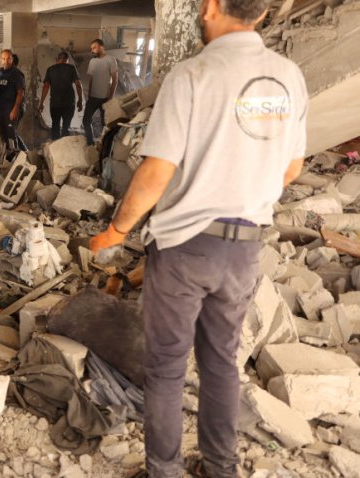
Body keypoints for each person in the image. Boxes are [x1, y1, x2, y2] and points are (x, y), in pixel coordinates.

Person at [89, 0, 307, 476]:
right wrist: (245, 182)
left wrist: (115, 230)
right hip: (245, 249)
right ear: (263, 15)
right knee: (221, 364)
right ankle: (219, 467)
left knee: (167, 368)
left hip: (186, 247)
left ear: (209, 7)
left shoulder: (192, 75)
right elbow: (291, 166)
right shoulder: (288, 77)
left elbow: (155, 172)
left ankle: (164, 470)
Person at [39, 52, 84, 140]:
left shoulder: (50, 69)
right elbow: (78, 85)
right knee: (66, 127)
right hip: (69, 103)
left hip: (55, 104)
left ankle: (56, 148)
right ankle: (64, 148)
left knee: (55, 125)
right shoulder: (71, 68)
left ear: (57, 59)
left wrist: (41, 102)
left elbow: (46, 86)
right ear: (67, 60)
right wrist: (80, 100)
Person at [82, 39, 119, 146]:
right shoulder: (92, 62)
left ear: (101, 47)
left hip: (105, 98)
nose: (92, 50)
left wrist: (110, 97)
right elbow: (91, 79)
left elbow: (115, 80)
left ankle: (104, 144)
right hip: (93, 98)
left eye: (94, 47)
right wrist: (89, 95)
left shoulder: (111, 59)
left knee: (105, 123)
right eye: (91, 48)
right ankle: (91, 143)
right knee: (86, 121)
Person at [0, 49, 24, 152]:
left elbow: (20, 93)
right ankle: (7, 157)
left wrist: (15, 109)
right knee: (3, 135)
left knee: (11, 135)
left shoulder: (17, 74)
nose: (6, 61)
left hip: (11, 109)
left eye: (8, 58)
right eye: (4, 58)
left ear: (12, 59)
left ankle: (16, 159)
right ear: (1, 59)